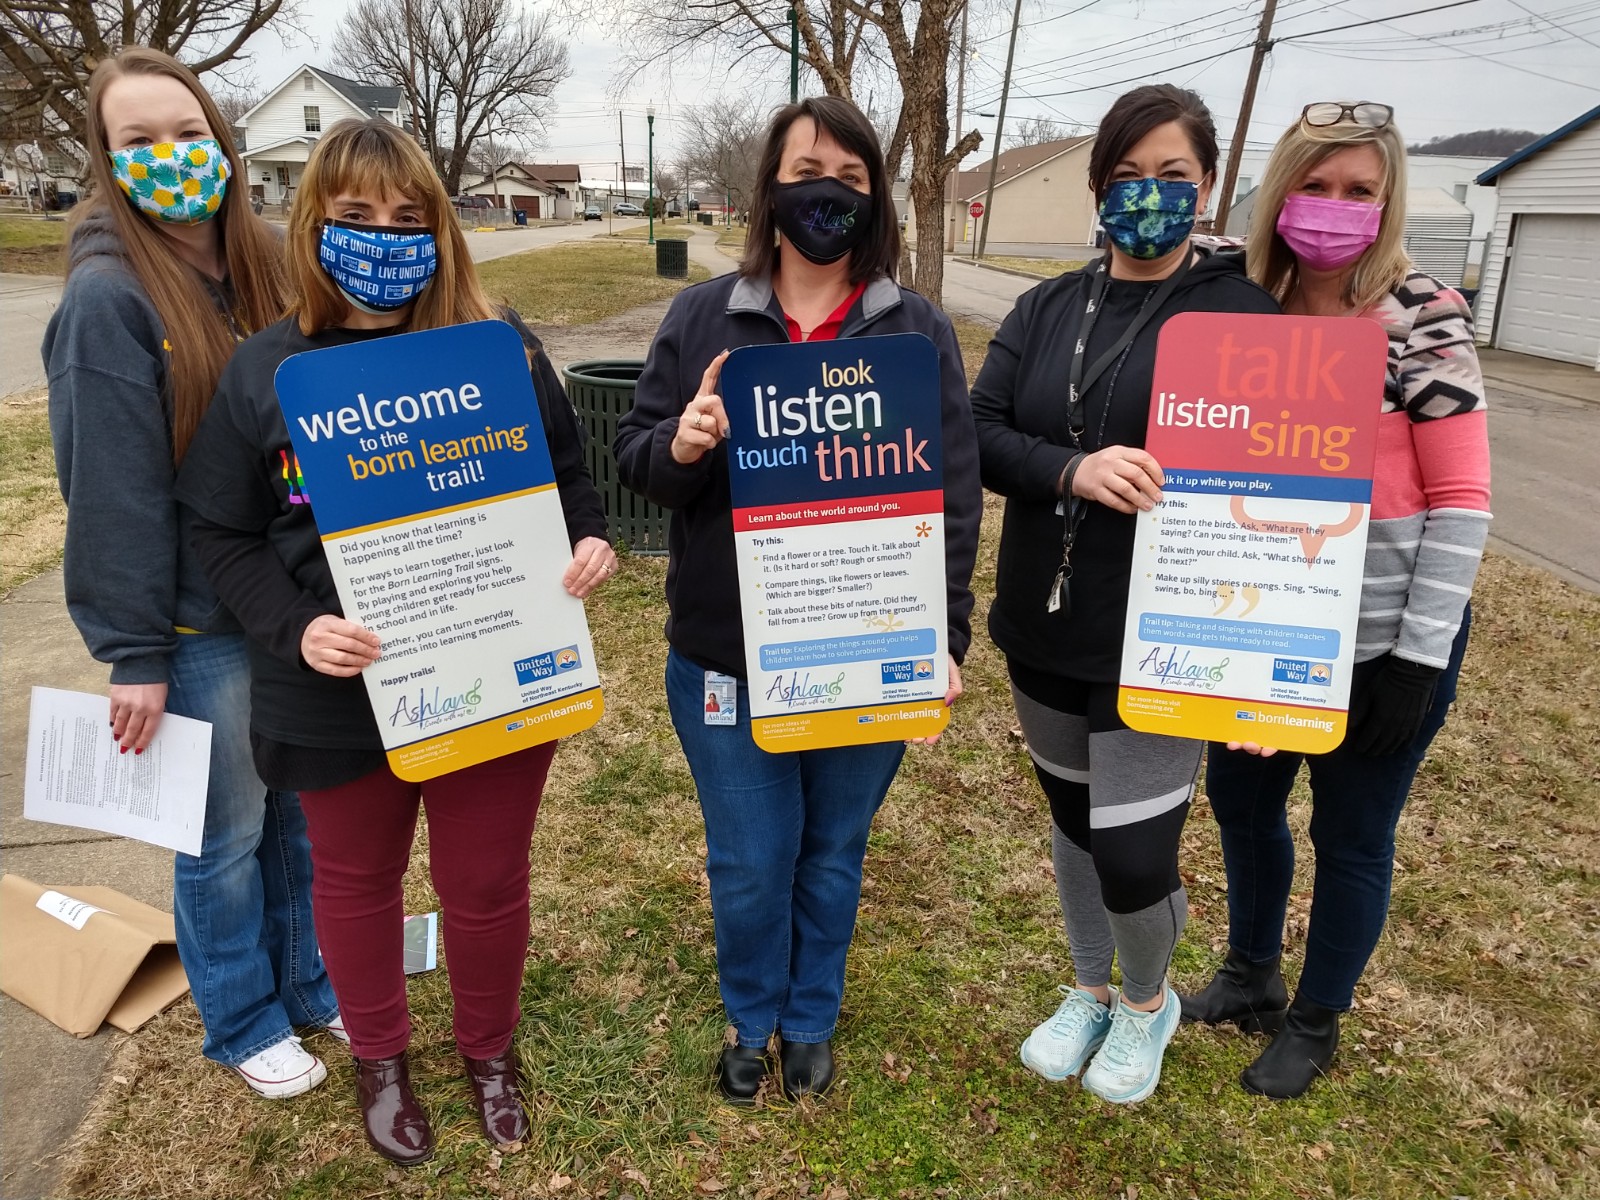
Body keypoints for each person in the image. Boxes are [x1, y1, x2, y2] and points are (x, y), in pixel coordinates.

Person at [173, 118, 616, 1164]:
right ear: (313, 224)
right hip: (332, 686)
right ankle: (380, 1058)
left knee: (486, 882)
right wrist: (293, 627)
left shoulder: (500, 350)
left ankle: (488, 1055)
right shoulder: (262, 373)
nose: (385, 236)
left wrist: (590, 540)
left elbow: (570, 479)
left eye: (410, 218)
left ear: (442, 229)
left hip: (488, 664)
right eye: (357, 216)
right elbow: (220, 529)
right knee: (355, 880)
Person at [614, 95, 981, 1106]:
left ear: (875, 197)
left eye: (851, 176)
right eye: (805, 170)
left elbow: (950, 496)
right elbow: (637, 462)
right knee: (747, 861)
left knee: (830, 853)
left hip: (870, 644)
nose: (827, 191)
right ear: (768, 191)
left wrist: (945, 634)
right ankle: (752, 1014)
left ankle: (810, 1016)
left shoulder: (915, 331)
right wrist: (685, 444)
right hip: (727, 660)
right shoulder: (702, 316)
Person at [970, 83, 1279, 1105]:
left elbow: (1287, 492)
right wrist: (1070, 469)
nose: (1147, 194)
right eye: (1128, 176)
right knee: (1072, 829)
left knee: (1133, 851)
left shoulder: (1245, 316)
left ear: (1207, 187)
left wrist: (1265, 669)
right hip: (1042, 624)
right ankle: (1091, 986)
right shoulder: (1043, 306)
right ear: (1100, 185)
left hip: (1172, 633)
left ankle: (1149, 1004)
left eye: (1172, 177)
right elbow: (977, 434)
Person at [44, 46, 342, 1099]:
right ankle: (242, 1017)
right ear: (107, 159)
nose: (170, 156)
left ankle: (310, 982)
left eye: (186, 131)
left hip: (288, 601)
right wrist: (133, 651)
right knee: (224, 835)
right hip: (194, 620)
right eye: (139, 141)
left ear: (218, 134)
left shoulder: (264, 259)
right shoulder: (107, 300)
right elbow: (111, 490)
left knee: (298, 810)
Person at [1181, 101, 1490, 1100]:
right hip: (1253, 624)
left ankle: (1315, 1021)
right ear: (1280, 192)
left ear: (1389, 201)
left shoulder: (1421, 314)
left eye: (1359, 190)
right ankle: (1250, 977)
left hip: (1381, 644)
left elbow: (1461, 499)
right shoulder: (1239, 305)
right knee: (1241, 806)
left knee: (1351, 832)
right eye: (1314, 186)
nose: (1333, 207)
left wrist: (1416, 657)